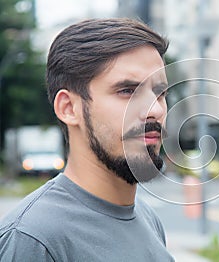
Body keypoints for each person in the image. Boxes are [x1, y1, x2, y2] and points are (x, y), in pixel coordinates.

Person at [0, 18, 175, 261]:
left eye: (160, 93)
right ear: (69, 108)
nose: (155, 109)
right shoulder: (32, 239)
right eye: (127, 91)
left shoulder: (147, 218)